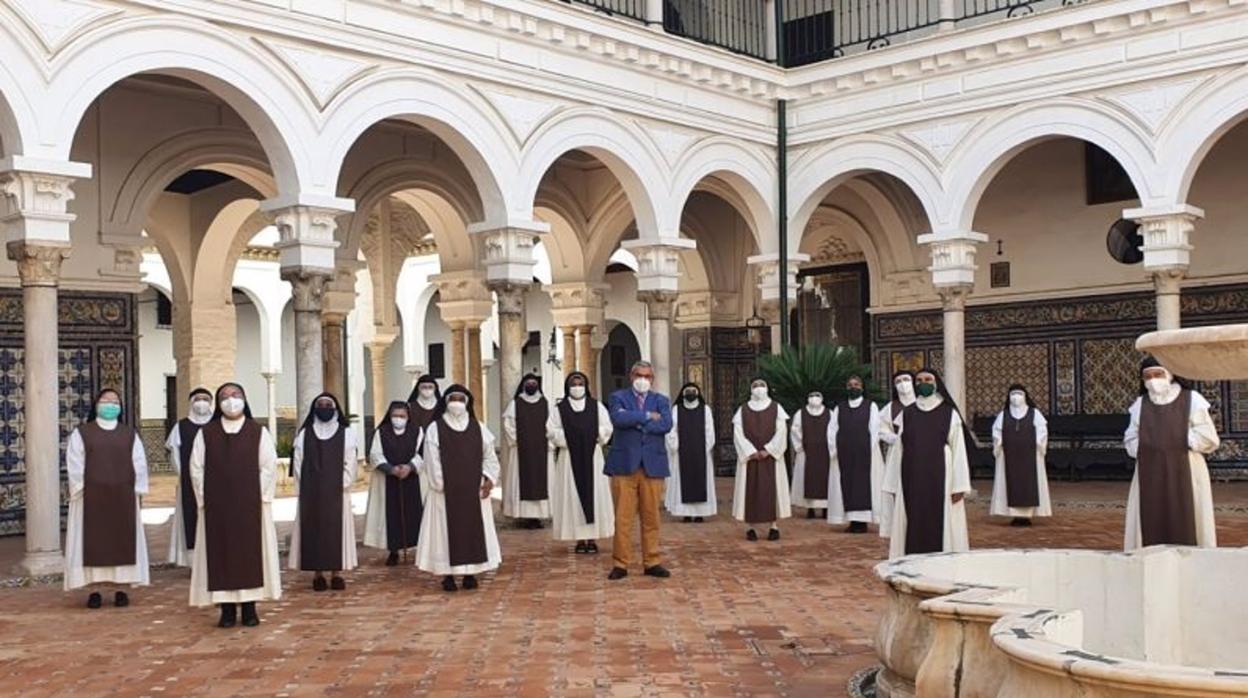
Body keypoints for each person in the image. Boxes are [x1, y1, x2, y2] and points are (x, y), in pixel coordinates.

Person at [189, 383, 281, 627]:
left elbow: (268, 466)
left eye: (236, 395)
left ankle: (250, 608)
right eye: (225, 397)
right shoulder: (206, 433)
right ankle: (226, 610)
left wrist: (255, 494)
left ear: (245, 399)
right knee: (220, 553)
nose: (231, 401)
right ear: (218, 404)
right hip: (216, 506)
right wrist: (205, 497)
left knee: (250, 554)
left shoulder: (258, 432)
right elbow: (196, 468)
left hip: (251, 504)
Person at [64, 389, 149, 608]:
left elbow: (139, 464)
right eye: (105, 400)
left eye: (115, 401)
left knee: (122, 540)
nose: (110, 404)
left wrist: (137, 490)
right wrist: (82, 490)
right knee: (92, 542)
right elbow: (75, 463)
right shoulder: (82, 433)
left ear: (120, 407)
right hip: (90, 498)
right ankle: (94, 590)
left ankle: (121, 588)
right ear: (96, 405)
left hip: (123, 497)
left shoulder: (129, 434)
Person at [1123, 357, 1219, 551]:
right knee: (1150, 513)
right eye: (1147, 377)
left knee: (1187, 511)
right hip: (1149, 469)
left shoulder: (1191, 399)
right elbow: (1131, 437)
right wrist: (1147, 443)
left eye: (1157, 374)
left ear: (1169, 374)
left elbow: (1209, 437)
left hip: (1187, 468)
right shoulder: (1140, 404)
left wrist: (1176, 436)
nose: (1152, 380)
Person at [414, 385, 502, 591]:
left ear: (467, 402)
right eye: (452, 398)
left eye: (460, 399)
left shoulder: (478, 427)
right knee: (444, 534)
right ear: (445, 401)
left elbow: (490, 456)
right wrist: (443, 484)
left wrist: (489, 479)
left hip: (475, 491)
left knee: (474, 530)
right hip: (445, 493)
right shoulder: (435, 428)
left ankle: (471, 573)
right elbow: (431, 460)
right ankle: (448, 575)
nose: (456, 402)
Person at [880, 368, 972, 560]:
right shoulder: (908, 413)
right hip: (911, 476)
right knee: (912, 518)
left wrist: (959, 485)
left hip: (941, 476)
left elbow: (958, 449)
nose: (923, 383)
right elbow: (899, 448)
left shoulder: (949, 413)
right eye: (920, 380)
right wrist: (893, 483)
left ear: (936, 383)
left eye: (928, 379)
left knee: (941, 522)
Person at [604, 360, 673, 581]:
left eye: (647, 376)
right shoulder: (618, 397)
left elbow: (666, 424)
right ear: (631, 376)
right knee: (623, 518)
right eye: (638, 375)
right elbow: (617, 418)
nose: (643, 380)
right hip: (625, 464)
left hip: (653, 465)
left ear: (652, 379)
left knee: (651, 517)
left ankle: (652, 561)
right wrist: (645, 417)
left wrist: (634, 420)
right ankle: (620, 563)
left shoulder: (661, 400)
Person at [287, 393, 358, 590]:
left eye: (328, 404)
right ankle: (317, 574)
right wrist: (306, 486)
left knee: (337, 531)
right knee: (314, 530)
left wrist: (341, 484)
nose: (325, 407)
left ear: (335, 408)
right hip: (311, 492)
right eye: (321, 404)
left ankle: (337, 573)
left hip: (337, 492)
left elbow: (350, 462)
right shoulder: (304, 434)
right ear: (314, 408)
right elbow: (299, 463)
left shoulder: (347, 433)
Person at [549, 371, 615, 553]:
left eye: (580, 383)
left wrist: (596, 435)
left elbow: (607, 427)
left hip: (592, 455)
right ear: (567, 387)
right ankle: (578, 539)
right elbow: (552, 431)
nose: (577, 387)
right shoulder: (559, 409)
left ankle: (592, 538)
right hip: (569, 457)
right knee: (572, 496)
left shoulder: (597, 406)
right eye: (573, 383)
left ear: (586, 386)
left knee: (595, 494)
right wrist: (571, 438)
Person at [365, 401, 425, 565]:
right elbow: (375, 454)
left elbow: (423, 453)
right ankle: (393, 551)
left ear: (408, 417)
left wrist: (410, 467)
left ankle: (418, 549)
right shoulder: (381, 432)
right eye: (395, 416)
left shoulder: (417, 431)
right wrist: (391, 469)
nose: (398, 419)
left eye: (402, 416)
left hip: (412, 480)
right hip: (389, 480)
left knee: (414, 514)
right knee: (392, 515)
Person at [732, 378, 791, 541]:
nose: (759, 388)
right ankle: (750, 528)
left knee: (771, 490)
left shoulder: (776, 408)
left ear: (767, 388)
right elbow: (738, 433)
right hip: (750, 458)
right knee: (749, 490)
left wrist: (769, 450)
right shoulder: (742, 410)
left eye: (762, 385)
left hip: (770, 457)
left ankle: (773, 526)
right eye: (755, 386)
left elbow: (781, 432)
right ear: (751, 389)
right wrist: (750, 451)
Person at [828, 376, 885, 533]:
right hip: (844, 452)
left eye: (857, 384)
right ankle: (852, 520)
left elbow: (874, 428)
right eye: (850, 385)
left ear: (862, 387)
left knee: (864, 484)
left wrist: (868, 448)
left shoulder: (871, 406)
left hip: (865, 452)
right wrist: (834, 450)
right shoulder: (840, 408)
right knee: (846, 484)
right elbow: (832, 430)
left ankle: (863, 522)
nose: (853, 387)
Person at [990, 384, 1052, 527]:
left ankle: (1027, 515)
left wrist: (1037, 444)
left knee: (1030, 482)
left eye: (1019, 394)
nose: (1016, 397)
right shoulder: (1003, 415)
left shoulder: (1035, 414)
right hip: (1008, 457)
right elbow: (996, 432)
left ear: (1025, 396)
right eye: (1012, 394)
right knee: (1008, 482)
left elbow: (1042, 431)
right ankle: (1014, 515)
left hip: (1030, 456)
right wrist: (999, 443)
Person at [165, 387, 214, 567]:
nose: (201, 403)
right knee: (190, 518)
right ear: (191, 403)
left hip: (217, 481)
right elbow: (175, 454)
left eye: (205, 399)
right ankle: (193, 562)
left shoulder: (217, 424)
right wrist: (186, 474)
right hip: (188, 481)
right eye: (198, 399)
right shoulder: (181, 426)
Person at [501, 373, 552, 529]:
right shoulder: (515, 404)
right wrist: (518, 440)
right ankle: (523, 516)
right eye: (528, 383)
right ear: (523, 385)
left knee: (542, 480)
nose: (531, 385)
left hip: (542, 449)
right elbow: (508, 424)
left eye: (533, 383)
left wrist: (549, 442)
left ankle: (539, 517)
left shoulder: (545, 403)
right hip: (521, 449)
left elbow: (551, 424)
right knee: (521, 480)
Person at [664, 382, 717, 522]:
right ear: (682, 393)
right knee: (681, 482)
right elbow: (671, 429)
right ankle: (685, 513)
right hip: (682, 452)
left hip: (701, 453)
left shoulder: (705, 409)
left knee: (702, 480)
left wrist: (704, 448)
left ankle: (700, 513)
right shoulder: (676, 409)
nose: (691, 393)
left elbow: (710, 430)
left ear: (698, 393)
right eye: (688, 390)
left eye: (693, 390)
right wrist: (675, 445)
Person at [790, 390, 831, 519]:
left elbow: (834, 430)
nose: (814, 398)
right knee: (806, 478)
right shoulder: (800, 413)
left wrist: (831, 446)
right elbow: (795, 430)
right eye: (812, 396)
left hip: (825, 452)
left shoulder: (830, 413)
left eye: (817, 396)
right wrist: (800, 446)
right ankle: (810, 508)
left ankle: (826, 508)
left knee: (826, 478)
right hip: (806, 452)